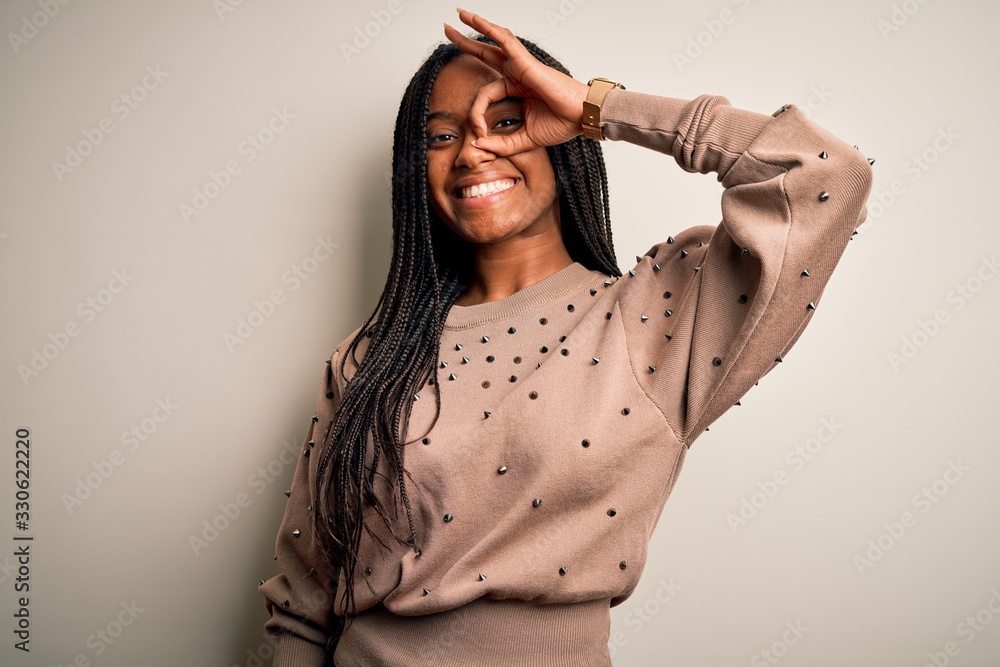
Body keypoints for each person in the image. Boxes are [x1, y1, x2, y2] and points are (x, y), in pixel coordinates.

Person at [259, 8, 874, 666]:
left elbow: (825, 175)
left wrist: (596, 107)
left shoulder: (658, 313)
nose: (470, 152)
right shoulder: (369, 357)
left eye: (506, 121)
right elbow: (302, 606)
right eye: (440, 137)